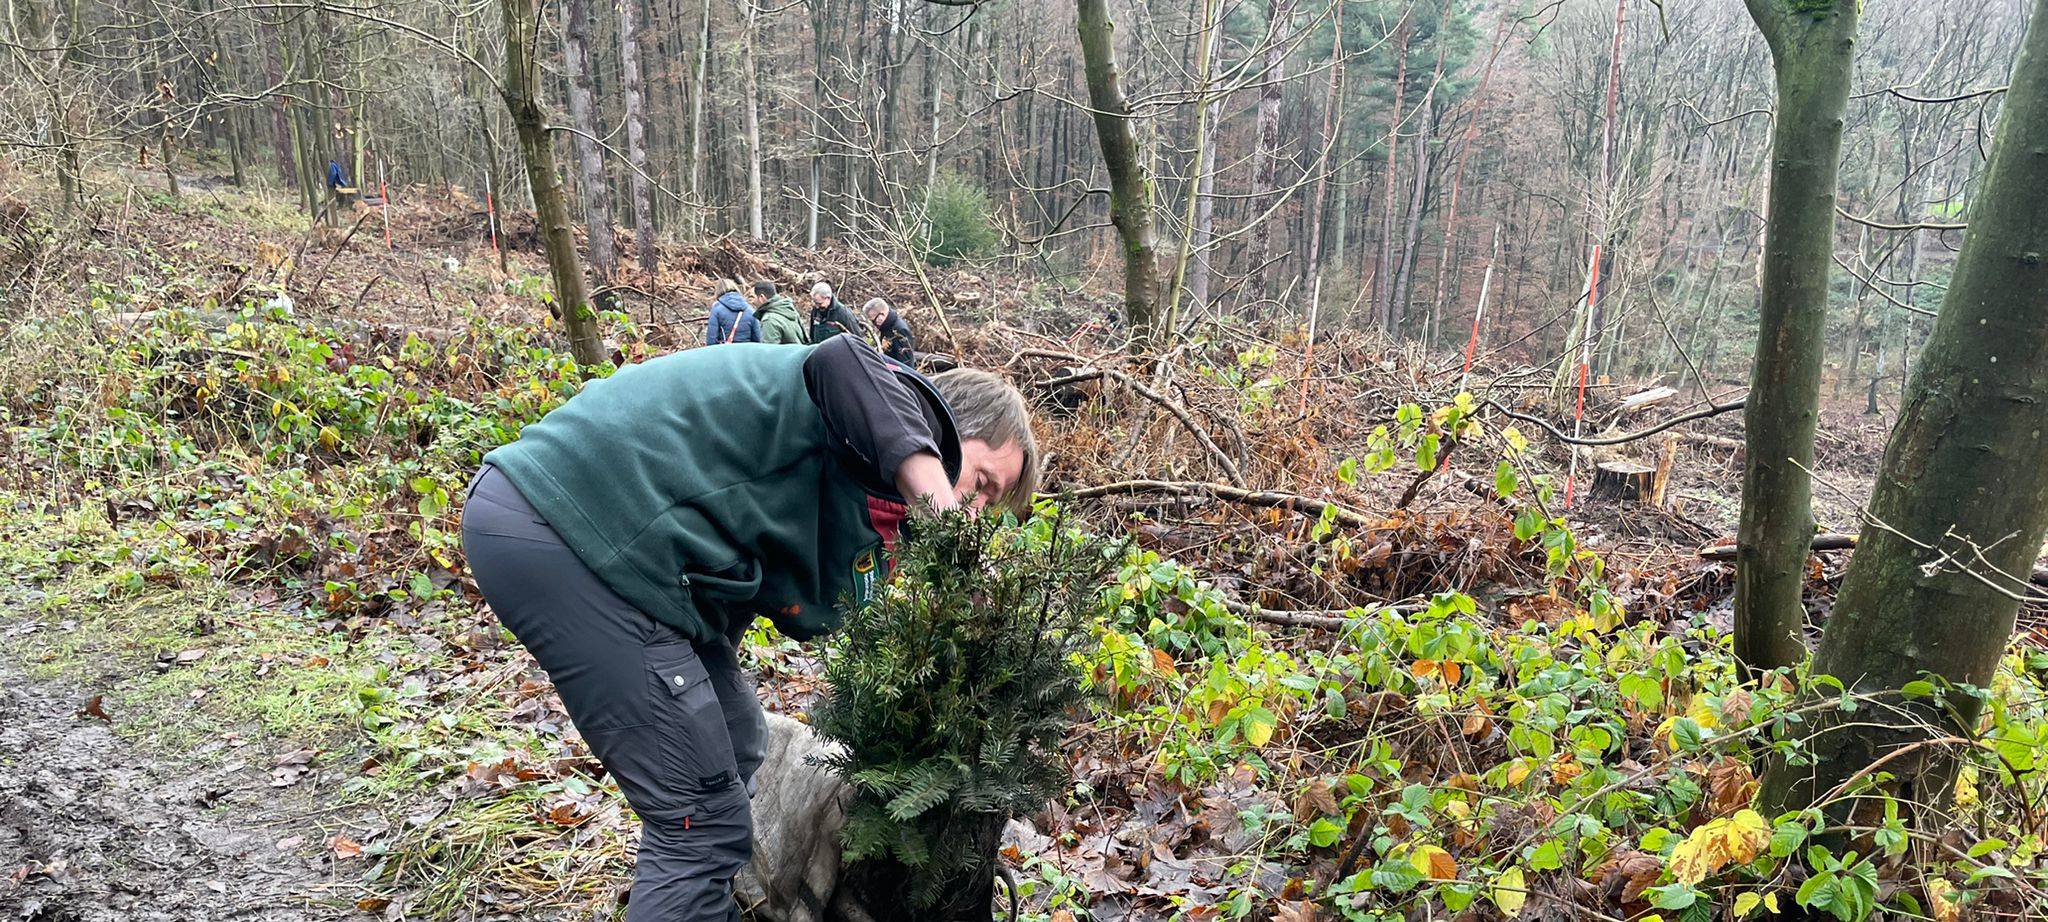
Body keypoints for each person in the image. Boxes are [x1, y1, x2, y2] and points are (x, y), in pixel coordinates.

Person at [460, 337, 1038, 921]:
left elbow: (748, 576)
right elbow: (842, 362)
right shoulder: (879, 399)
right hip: (564, 524)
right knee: (699, 818)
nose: (974, 515)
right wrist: (954, 539)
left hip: (629, 560)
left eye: (988, 508)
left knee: (737, 743)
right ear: (942, 431)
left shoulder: (865, 500)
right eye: (982, 485)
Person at [706, 279, 761, 345]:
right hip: (746, 353)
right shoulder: (750, 310)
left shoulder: (716, 308)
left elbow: (711, 340)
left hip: (725, 352)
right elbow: (758, 339)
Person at [750, 280, 805, 345]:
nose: (752, 302)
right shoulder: (788, 309)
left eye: (752, 297)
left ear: (761, 297)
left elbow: (769, 351)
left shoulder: (769, 320)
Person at [862, 297, 915, 365]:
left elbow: (907, 364)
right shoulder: (886, 327)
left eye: (873, 321)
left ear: (882, 314)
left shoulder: (899, 331)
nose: (874, 324)